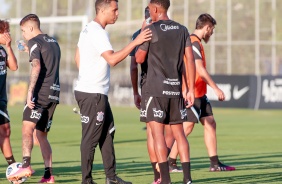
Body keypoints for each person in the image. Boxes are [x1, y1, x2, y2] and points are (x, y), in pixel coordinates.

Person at [74, 0, 151, 184]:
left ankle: (111, 177)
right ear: (103, 9)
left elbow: (78, 56)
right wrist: (136, 42)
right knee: (90, 137)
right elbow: (112, 60)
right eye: (115, 10)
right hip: (93, 94)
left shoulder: (88, 29)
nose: (117, 13)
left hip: (93, 91)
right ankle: (86, 180)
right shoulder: (98, 32)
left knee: (108, 132)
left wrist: (87, 75)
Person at [135, 0, 196, 183]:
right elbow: (190, 60)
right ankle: (187, 179)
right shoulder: (182, 30)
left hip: (155, 90)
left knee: (157, 134)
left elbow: (139, 58)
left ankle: (165, 179)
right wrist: (190, 88)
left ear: (154, 9)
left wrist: (141, 37)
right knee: (179, 134)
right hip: (175, 90)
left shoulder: (151, 30)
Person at [168, 13, 236, 172]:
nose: (212, 33)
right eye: (212, 29)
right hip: (192, 92)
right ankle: (170, 162)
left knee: (210, 123)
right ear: (207, 27)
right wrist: (216, 88)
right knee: (186, 128)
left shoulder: (196, 42)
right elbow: (199, 69)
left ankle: (214, 163)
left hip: (199, 93)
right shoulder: (193, 42)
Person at [8, 14, 61, 183]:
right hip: (54, 94)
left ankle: (26, 165)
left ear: (31, 28)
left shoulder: (34, 41)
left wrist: (30, 91)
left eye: (23, 31)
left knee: (27, 129)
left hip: (40, 93)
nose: (23, 34)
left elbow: (37, 65)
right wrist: (27, 50)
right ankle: (48, 176)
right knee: (42, 136)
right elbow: (46, 59)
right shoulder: (53, 42)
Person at [0, 19, 18, 166]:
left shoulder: (2, 51)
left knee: (5, 131)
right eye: (4, 31)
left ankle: (13, 167)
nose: (8, 34)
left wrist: (9, 47)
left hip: (1, 99)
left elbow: (13, 66)